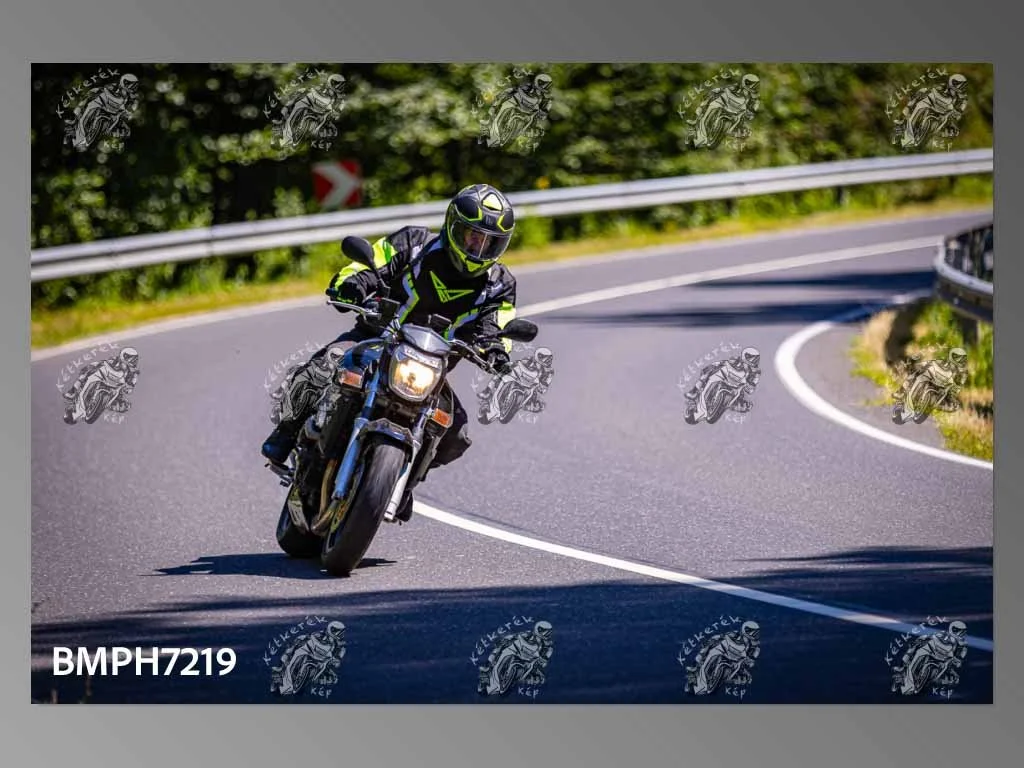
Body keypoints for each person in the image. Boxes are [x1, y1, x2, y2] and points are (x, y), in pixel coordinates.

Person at [261, 184, 520, 523]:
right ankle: (286, 433)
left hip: (430, 369)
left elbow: (498, 325)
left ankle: (402, 477)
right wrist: (353, 285)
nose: (479, 248)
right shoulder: (414, 243)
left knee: (456, 432)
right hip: (375, 339)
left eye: (490, 242)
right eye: (473, 236)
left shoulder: (499, 284)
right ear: (453, 226)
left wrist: (497, 350)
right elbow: (370, 264)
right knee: (323, 367)